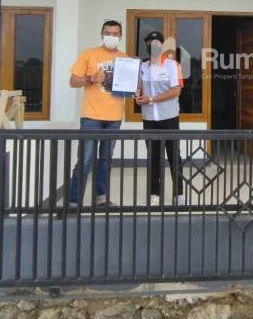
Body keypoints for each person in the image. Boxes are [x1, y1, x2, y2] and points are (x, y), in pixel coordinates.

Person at [67, 20, 128, 207]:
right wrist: (91, 78)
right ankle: (73, 201)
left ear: (120, 36)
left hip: (114, 117)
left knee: (106, 160)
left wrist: (135, 85)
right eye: (108, 33)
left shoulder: (125, 58)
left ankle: (101, 198)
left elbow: (129, 86)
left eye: (115, 33)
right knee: (85, 160)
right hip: (91, 117)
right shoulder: (89, 54)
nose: (111, 36)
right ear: (102, 34)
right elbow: (73, 81)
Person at [134, 31, 184, 205]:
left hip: (169, 118)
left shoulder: (173, 65)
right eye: (149, 44)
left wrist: (151, 99)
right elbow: (138, 88)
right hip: (149, 119)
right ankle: (154, 194)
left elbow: (176, 91)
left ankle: (179, 195)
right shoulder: (142, 67)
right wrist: (137, 96)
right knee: (153, 157)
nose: (152, 47)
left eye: (156, 44)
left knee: (174, 157)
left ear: (162, 46)